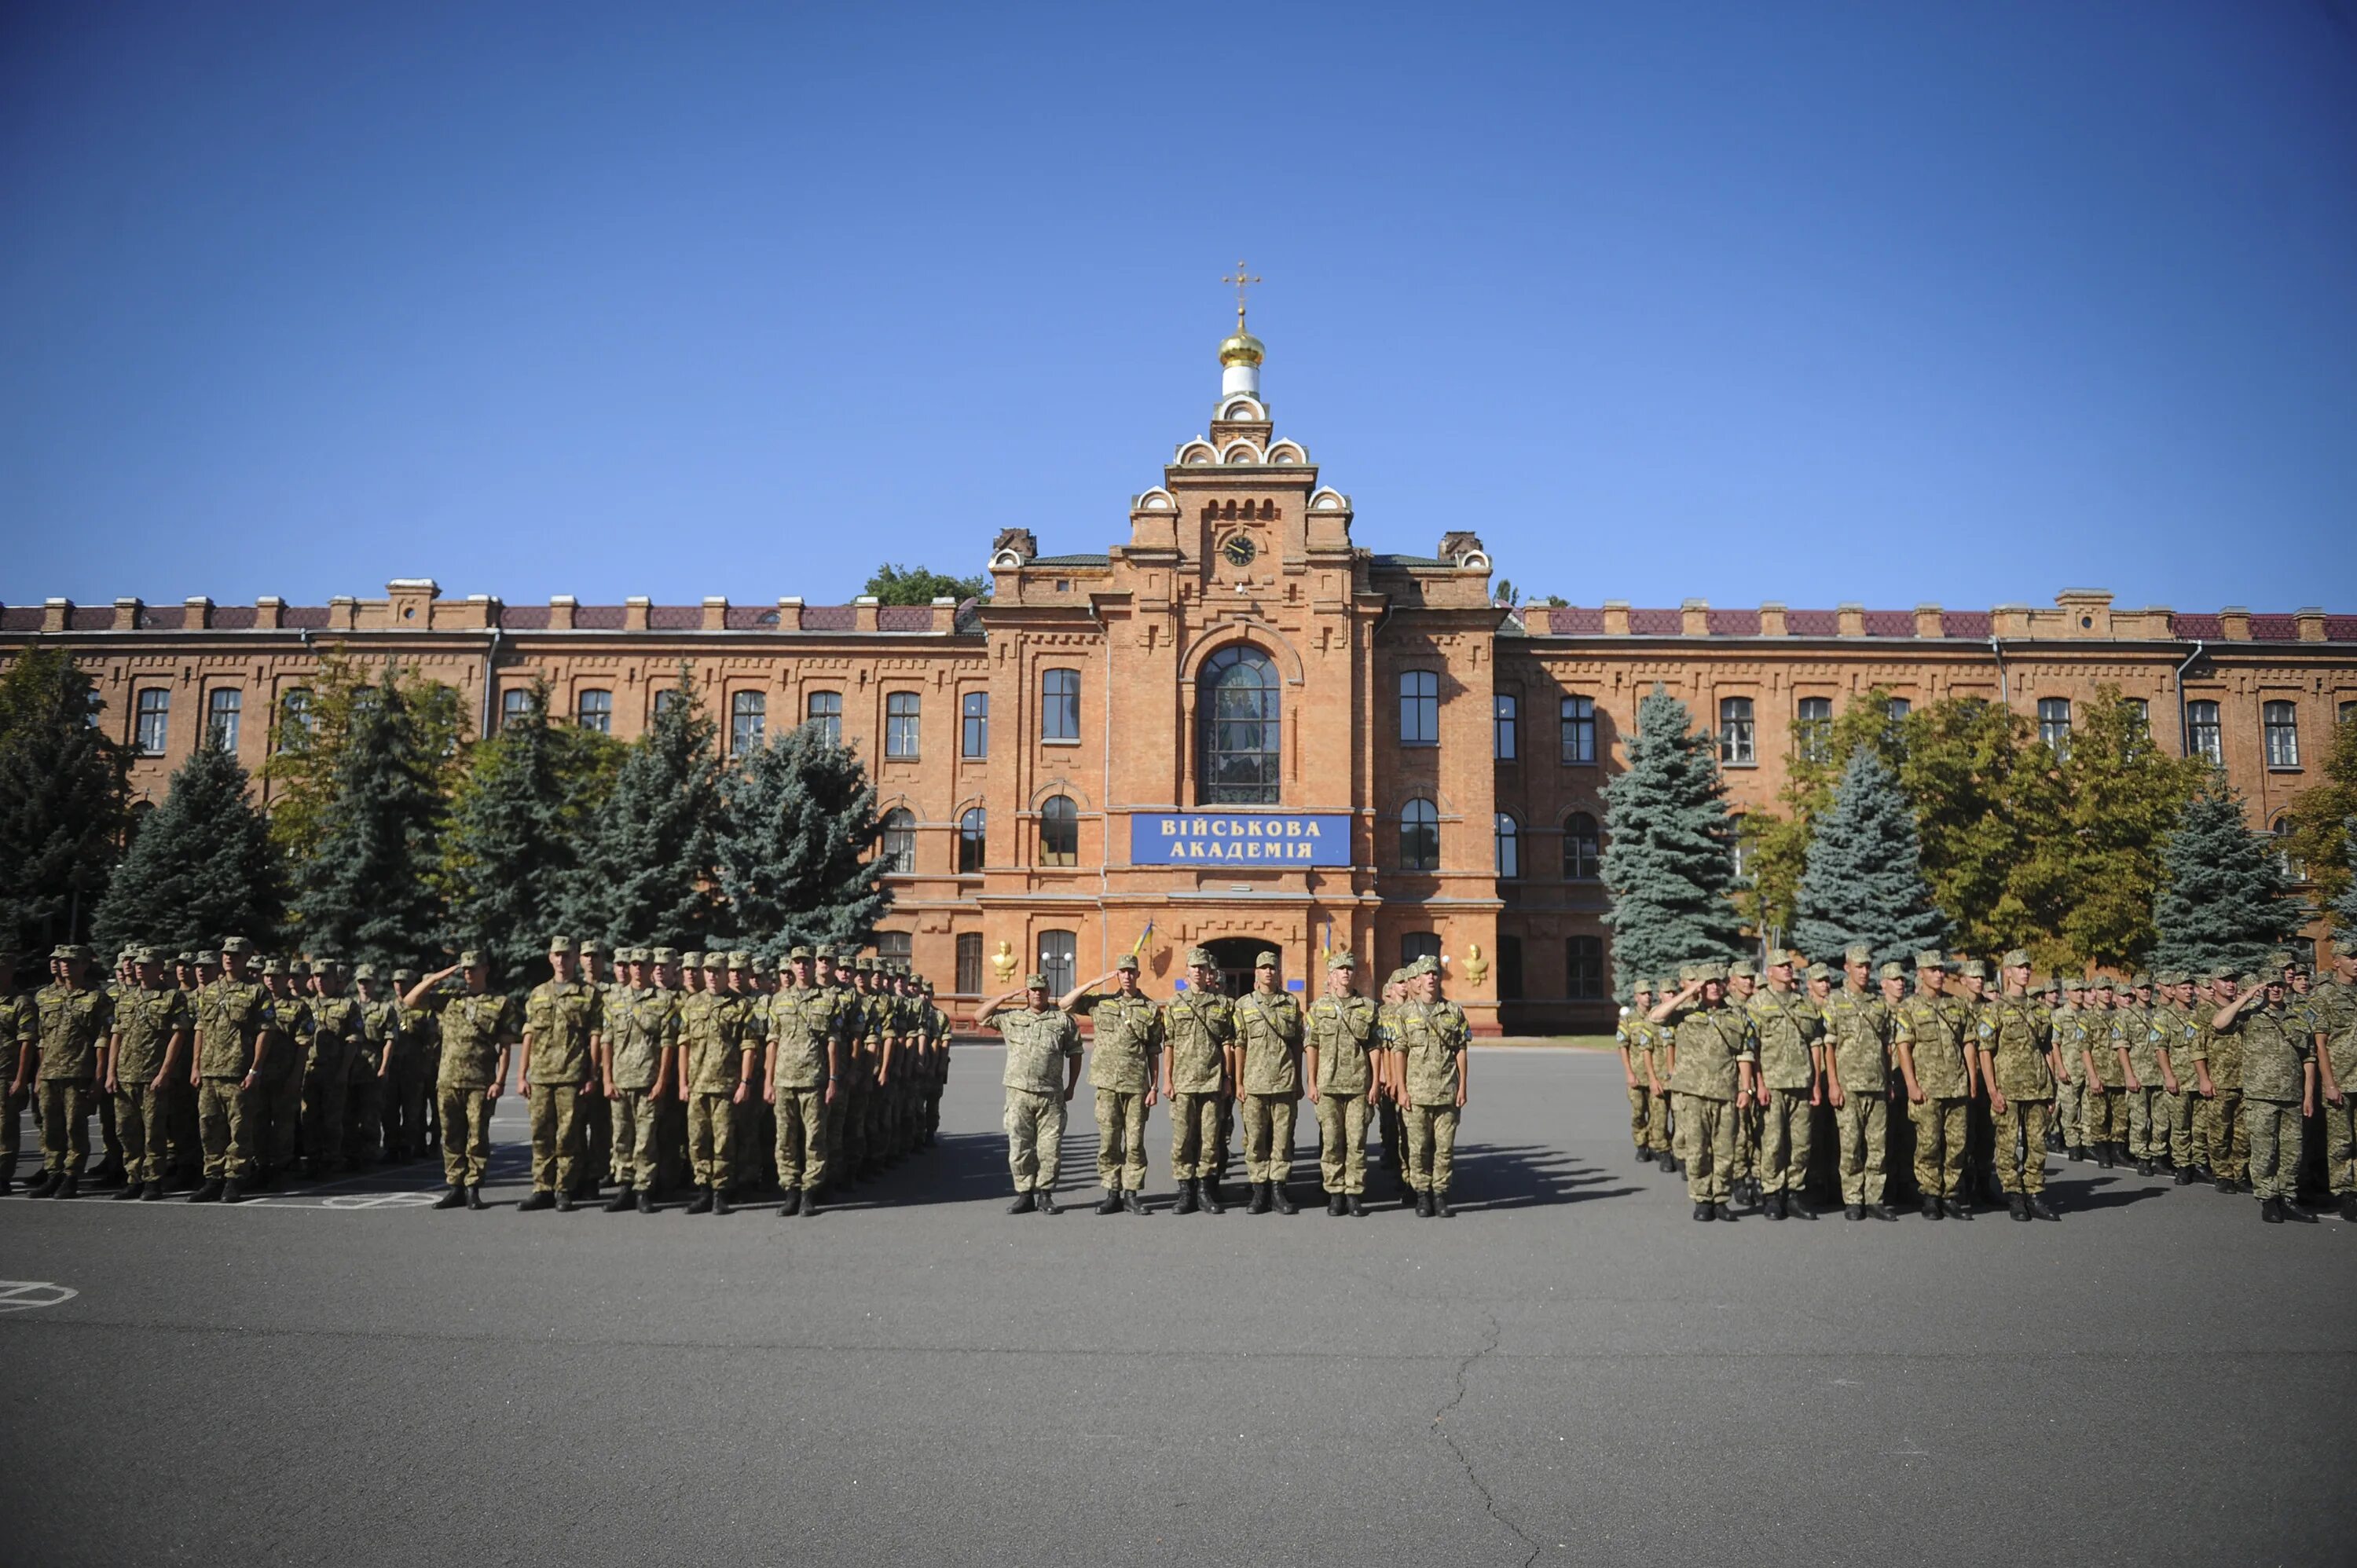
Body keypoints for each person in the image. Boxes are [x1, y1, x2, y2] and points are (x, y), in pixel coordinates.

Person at [405, 952, 519, 1211]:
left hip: (480, 1080)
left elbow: (505, 1046)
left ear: (485, 969)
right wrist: (436, 978)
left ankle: (473, 1188)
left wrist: (500, 1082)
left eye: (473, 968)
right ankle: (454, 1187)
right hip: (448, 1079)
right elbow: (410, 1001)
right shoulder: (449, 1000)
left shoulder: (500, 1003)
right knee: (451, 1136)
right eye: (465, 969)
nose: (468, 973)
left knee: (477, 1137)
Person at [2213, 972, 2329, 1223]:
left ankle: (2288, 1197)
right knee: (2264, 1151)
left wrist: (2309, 1095)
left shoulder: (2298, 1015)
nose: (2275, 990)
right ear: (2262, 988)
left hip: (2292, 1095)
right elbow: (2219, 1023)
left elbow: (2308, 1058)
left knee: (2292, 1151)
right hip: (2261, 1094)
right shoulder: (2251, 1015)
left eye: (2279, 985)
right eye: (2269, 986)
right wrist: (2246, 996)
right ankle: (2268, 1199)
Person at [1061, 954, 1164, 1215]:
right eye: (1122, 971)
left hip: (1137, 1085)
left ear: (1138, 975)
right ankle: (1112, 1192)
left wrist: (1154, 1086)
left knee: (1135, 1142)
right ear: (1117, 975)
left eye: (1131, 971)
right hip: (1106, 1084)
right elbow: (1064, 1004)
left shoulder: (1150, 1009)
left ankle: (1131, 1193)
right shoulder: (1100, 1003)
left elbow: (1154, 1050)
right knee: (1109, 1141)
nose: (1127, 976)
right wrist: (1095, 982)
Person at [1651, 962, 1754, 1221]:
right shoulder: (1684, 1012)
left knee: (1725, 1151)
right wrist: (1687, 993)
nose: (1714, 987)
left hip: (1726, 1092)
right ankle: (1701, 1199)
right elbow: (1655, 1017)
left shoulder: (1736, 1015)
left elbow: (1744, 1053)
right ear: (1699, 986)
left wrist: (1746, 1088)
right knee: (1697, 1150)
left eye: (1718, 982)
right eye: (1708, 983)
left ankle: (1720, 1199)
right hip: (1693, 1094)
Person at [978, 972, 1083, 1214]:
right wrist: (1005, 996)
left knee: (1050, 1148)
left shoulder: (1063, 1020)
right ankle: (1024, 1194)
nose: (1037, 993)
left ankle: (1046, 1195)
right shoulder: (1011, 1018)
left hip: (1051, 1095)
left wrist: (1071, 1086)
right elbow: (980, 1016)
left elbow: (1075, 1053)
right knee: (1020, 1146)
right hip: (1018, 1093)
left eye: (1041, 989)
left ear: (1048, 992)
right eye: (1033, 989)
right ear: (1027, 992)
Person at [519, 935, 603, 1213]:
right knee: (541, 1134)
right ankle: (542, 1188)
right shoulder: (538, 994)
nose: (561, 960)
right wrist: (522, 1075)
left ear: (575, 958)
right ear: (550, 957)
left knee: (568, 1136)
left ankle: (564, 1189)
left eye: (567, 955)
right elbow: (528, 1034)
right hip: (541, 1076)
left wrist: (591, 1074)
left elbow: (594, 1035)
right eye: (557, 955)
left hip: (571, 1074)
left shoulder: (588, 994)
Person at [1978, 949, 2059, 1221]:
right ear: (2008, 972)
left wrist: (2053, 1086)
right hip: (2008, 1088)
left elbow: (2047, 1049)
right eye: (2020, 967)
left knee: (2037, 1144)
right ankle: (2014, 1195)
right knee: (2007, 1143)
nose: (2025, 972)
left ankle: (2034, 1194)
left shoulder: (2040, 1010)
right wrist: (1992, 1089)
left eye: (2028, 967)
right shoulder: (1994, 1009)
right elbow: (1985, 1051)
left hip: (2038, 1086)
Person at [26, 944, 112, 1200]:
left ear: (84, 965)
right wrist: (40, 1074)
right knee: (50, 1127)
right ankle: (54, 1173)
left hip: (78, 1072)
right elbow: (42, 1039)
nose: (66, 965)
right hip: (50, 1073)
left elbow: (103, 1040)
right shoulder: (44, 997)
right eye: (63, 961)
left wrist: (98, 1077)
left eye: (72, 962)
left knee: (75, 1127)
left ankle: (72, 1175)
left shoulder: (97, 998)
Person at [190, 938, 272, 1203]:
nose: (229, 959)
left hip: (238, 1071)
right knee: (209, 1126)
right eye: (226, 954)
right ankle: (213, 1178)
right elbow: (200, 1028)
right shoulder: (209, 991)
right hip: (210, 1071)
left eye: (235, 955)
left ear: (247, 957)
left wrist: (254, 1070)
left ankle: (235, 1179)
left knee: (239, 1128)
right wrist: (196, 1066)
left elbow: (265, 1032)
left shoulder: (257, 992)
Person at [1893, 951, 1973, 1219]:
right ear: (1921, 974)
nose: (1939, 974)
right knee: (1928, 1144)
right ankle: (1930, 1195)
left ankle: (1950, 1194)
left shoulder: (1957, 1005)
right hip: (1927, 1088)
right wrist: (1912, 1084)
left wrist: (1971, 1079)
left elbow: (1969, 1043)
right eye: (1933, 970)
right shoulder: (1909, 1007)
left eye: (1941, 969)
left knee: (1957, 1143)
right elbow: (1904, 1048)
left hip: (1956, 1084)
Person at [1746, 947, 1824, 1220]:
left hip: (1801, 1081)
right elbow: (1751, 1048)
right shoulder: (1757, 1003)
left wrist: (1815, 1081)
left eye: (1789, 965)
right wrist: (1760, 1083)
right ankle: (1772, 1194)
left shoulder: (1804, 1004)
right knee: (1773, 1142)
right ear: (1770, 972)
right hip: (1774, 1082)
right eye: (1781, 966)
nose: (1787, 969)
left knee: (1801, 1143)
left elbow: (1815, 1042)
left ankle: (1794, 1193)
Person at [764, 946, 842, 1216]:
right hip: (783, 1080)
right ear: (791, 966)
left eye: (805, 963)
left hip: (815, 1079)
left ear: (812, 966)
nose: (801, 967)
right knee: (785, 1139)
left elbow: (833, 1043)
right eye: (796, 963)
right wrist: (767, 1081)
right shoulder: (778, 1000)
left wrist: (833, 1079)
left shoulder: (828, 999)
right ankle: (790, 1191)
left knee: (814, 1139)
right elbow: (772, 1042)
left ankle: (810, 1192)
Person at [1821, 947, 1897, 1221]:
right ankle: (1853, 1198)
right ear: (1847, 968)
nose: (1865, 971)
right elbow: (1828, 1046)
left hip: (1876, 1083)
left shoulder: (1878, 1004)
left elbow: (1887, 1046)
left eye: (1868, 966)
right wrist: (1833, 1083)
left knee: (1877, 1145)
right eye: (1859, 966)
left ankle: (1875, 1198)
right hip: (1848, 1084)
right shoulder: (1835, 1002)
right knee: (1851, 1144)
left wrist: (1889, 1081)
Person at [599, 947, 677, 1214]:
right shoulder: (613, 999)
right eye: (634, 964)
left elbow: (669, 1045)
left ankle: (643, 1189)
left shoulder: (664, 1000)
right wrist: (607, 1079)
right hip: (620, 1080)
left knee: (645, 1139)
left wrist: (661, 1081)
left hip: (648, 1079)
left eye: (643, 965)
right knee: (621, 1137)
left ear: (650, 968)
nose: (638, 969)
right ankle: (624, 1187)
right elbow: (607, 1041)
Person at [1393, 954, 1471, 1218]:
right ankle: (1422, 1195)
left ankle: (1440, 1193)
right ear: (1419, 979)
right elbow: (1399, 1051)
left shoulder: (1454, 1012)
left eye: (1435, 973)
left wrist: (1463, 1087)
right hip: (1416, 1094)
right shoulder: (1405, 1013)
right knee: (1418, 1149)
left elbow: (1461, 1049)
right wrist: (1401, 1089)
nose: (1430, 977)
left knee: (1445, 1147)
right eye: (1426, 973)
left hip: (1447, 1091)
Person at [1304, 951, 1380, 1217]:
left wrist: (1375, 1083)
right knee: (1332, 1142)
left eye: (1349, 968)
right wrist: (1311, 1081)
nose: (1346, 973)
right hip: (1328, 1086)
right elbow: (1311, 1045)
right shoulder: (1318, 1008)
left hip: (1359, 1085)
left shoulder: (1368, 1008)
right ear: (1332, 976)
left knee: (1357, 1141)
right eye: (1341, 969)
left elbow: (1375, 1047)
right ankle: (1335, 1192)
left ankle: (1354, 1193)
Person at [1160, 947, 1234, 1214]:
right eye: (1195, 967)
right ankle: (1185, 1191)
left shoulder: (1224, 1004)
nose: (1199, 971)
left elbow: (1228, 1042)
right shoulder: (1175, 1003)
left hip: (1212, 1082)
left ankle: (1204, 1189)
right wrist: (1167, 1080)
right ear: (1187, 971)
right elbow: (1168, 1043)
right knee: (1182, 1139)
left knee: (1210, 1139)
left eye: (1203, 967)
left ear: (1209, 972)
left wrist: (1228, 1078)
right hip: (1183, 1083)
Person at [679, 951, 753, 1215]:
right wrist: (683, 1083)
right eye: (708, 971)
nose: (711, 976)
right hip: (697, 1083)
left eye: (717, 971)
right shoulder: (692, 1004)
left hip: (726, 1085)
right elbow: (684, 1044)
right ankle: (703, 1190)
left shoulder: (741, 1005)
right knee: (698, 1140)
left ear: (725, 973)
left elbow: (748, 1046)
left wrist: (745, 1081)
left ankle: (721, 1192)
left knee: (723, 1140)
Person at [1232, 951, 1307, 1215]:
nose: (1268, 972)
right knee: (1255, 1140)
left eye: (1272, 967)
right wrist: (1238, 1081)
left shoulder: (1290, 1003)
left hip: (1285, 1082)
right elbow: (1239, 1044)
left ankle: (1278, 1189)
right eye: (1263, 968)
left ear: (1278, 972)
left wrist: (1299, 1079)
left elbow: (1298, 1043)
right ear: (1256, 973)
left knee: (1283, 1140)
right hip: (1254, 1084)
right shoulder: (1244, 1005)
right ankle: (1259, 1189)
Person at [302, 960, 365, 1179]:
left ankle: (331, 1159)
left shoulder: (347, 1005)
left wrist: (343, 1071)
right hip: (309, 1070)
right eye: (316, 976)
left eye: (324, 977)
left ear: (334, 979)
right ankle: (312, 1158)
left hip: (333, 1071)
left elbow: (353, 1041)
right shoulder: (307, 1005)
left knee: (332, 1119)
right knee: (309, 1116)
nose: (320, 981)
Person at [2191, 973, 2247, 1192]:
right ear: (2213, 985)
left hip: (2246, 1080)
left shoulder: (2243, 1009)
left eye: (2233, 980)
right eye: (2225, 980)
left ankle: (2240, 1173)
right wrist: (2204, 1079)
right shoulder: (2204, 1012)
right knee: (2219, 1132)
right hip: (2220, 1081)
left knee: (2243, 1133)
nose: (2231, 984)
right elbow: (2197, 1048)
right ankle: (2223, 1174)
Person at [2314, 940, 2356, 1219]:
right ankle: (2345, 1194)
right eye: (2351, 957)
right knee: (2341, 1141)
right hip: (2341, 1079)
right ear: (2336, 962)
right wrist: (2329, 1083)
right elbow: (2320, 1044)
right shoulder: (2324, 996)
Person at [0, 952, 35, 1195]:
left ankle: (2, 1176)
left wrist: (21, 1079)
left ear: (9, 971)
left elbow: (28, 1043)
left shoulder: (21, 1003)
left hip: (6, 1074)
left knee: (5, 1129)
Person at [1616, 979, 1657, 1167]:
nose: (1647, 997)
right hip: (1637, 1075)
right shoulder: (1628, 1020)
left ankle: (1656, 1145)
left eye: (1649, 993)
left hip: (1656, 1075)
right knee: (1638, 1113)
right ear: (1636, 997)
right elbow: (1623, 1047)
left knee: (1658, 1114)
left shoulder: (1658, 1016)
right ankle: (1641, 1145)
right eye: (1643, 994)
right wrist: (1629, 1073)